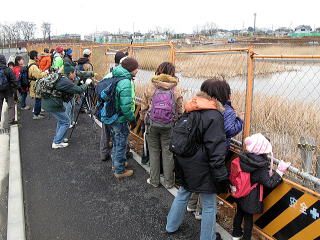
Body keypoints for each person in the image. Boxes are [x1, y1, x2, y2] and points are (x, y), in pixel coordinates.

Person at [166, 79, 230, 240]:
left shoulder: (191, 108)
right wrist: (221, 176)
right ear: (219, 96)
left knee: (183, 193)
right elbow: (216, 150)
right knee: (209, 204)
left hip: (185, 161)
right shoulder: (214, 115)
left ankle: (171, 226)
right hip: (203, 167)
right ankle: (208, 237)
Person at [187, 78, 244, 220]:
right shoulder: (227, 110)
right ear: (227, 95)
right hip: (217, 151)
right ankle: (200, 211)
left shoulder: (201, 106)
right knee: (207, 182)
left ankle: (191, 204)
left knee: (199, 179)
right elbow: (228, 131)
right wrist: (240, 120)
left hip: (198, 149)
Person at [231, 133, 290, 240]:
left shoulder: (244, 157)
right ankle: (246, 238)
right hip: (251, 196)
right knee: (248, 219)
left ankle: (236, 234)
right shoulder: (260, 166)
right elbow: (270, 183)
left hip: (240, 191)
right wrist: (280, 171)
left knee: (239, 212)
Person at [140, 62, 183, 189]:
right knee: (168, 153)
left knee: (153, 152)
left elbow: (143, 106)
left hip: (152, 124)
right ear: (172, 73)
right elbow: (180, 110)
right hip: (169, 125)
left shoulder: (151, 86)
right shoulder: (176, 89)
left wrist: (143, 119)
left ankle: (154, 180)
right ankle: (169, 182)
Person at [41, 64, 92, 149]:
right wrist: (86, 84)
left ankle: (59, 139)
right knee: (66, 121)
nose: (75, 75)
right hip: (53, 104)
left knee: (62, 121)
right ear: (70, 73)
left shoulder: (60, 77)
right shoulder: (65, 81)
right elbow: (78, 90)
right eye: (74, 73)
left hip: (49, 102)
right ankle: (57, 142)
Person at [100, 51, 132, 161]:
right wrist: (130, 116)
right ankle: (120, 160)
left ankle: (104, 153)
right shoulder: (124, 78)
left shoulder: (110, 74)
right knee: (119, 137)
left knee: (106, 133)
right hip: (117, 113)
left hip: (105, 109)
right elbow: (126, 101)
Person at [109, 57, 138, 178]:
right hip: (120, 118)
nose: (137, 70)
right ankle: (119, 171)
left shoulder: (115, 75)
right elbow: (125, 106)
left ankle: (116, 164)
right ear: (131, 69)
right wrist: (132, 119)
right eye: (136, 68)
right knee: (121, 144)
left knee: (116, 142)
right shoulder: (126, 82)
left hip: (112, 116)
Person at [28, 50, 48, 120]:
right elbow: (39, 75)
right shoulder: (33, 66)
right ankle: (36, 114)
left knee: (38, 99)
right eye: (37, 55)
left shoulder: (32, 63)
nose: (39, 57)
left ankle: (37, 112)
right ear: (34, 57)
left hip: (34, 84)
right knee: (38, 99)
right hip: (35, 85)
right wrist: (46, 72)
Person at [0, 55, 18, 125]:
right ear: (4, 61)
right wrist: (15, 89)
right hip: (8, 91)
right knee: (11, 105)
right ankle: (11, 120)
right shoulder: (8, 70)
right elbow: (14, 81)